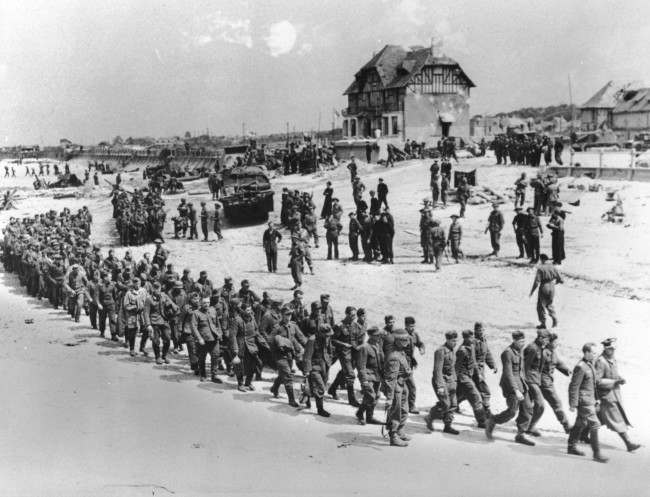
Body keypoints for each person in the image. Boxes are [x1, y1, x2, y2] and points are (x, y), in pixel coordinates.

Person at [485, 331, 535, 446]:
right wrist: (516, 390)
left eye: (524, 341)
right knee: (512, 411)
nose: (523, 344)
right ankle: (492, 420)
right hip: (510, 385)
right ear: (514, 340)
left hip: (522, 384)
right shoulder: (507, 353)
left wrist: (526, 385)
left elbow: (521, 370)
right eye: (520, 341)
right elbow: (508, 373)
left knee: (528, 409)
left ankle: (520, 435)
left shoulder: (520, 351)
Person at [594, 338, 640, 452]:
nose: (613, 351)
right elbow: (597, 381)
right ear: (605, 349)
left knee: (599, 417)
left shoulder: (612, 360)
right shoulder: (601, 361)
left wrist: (619, 378)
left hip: (614, 394)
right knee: (616, 418)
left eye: (613, 349)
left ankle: (581, 433)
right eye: (610, 349)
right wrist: (614, 382)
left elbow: (614, 374)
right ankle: (628, 443)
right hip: (606, 395)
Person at [567, 343, 609, 463]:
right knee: (594, 424)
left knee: (581, 423)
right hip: (584, 401)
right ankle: (597, 454)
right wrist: (572, 403)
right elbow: (574, 386)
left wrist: (596, 398)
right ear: (586, 353)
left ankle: (571, 447)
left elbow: (593, 385)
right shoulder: (581, 367)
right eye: (593, 352)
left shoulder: (590, 365)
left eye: (596, 353)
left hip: (590, 399)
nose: (595, 355)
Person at [302, 302, 334, 417]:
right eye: (326, 335)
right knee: (320, 388)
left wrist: (329, 360)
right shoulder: (312, 340)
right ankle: (320, 409)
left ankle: (307, 394)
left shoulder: (327, 338)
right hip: (315, 366)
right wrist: (307, 371)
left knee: (321, 386)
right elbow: (307, 357)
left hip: (325, 365)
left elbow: (330, 350)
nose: (328, 337)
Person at [424, 331, 459, 434]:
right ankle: (430, 417)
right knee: (445, 404)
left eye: (456, 340)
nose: (455, 343)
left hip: (450, 381)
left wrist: (455, 381)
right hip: (440, 381)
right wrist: (440, 386)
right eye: (453, 341)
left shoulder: (452, 350)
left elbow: (452, 368)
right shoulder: (440, 351)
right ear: (447, 340)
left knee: (453, 404)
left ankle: (447, 426)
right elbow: (437, 370)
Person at [384, 328, 412, 446]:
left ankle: (400, 430)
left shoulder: (401, 352)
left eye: (407, 340)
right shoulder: (394, 357)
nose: (407, 342)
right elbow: (391, 379)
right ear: (397, 341)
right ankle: (393, 436)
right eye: (404, 340)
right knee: (395, 411)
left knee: (404, 409)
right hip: (396, 387)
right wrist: (389, 398)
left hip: (402, 384)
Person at [539, 332, 571, 433]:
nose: (557, 343)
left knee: (533, 405)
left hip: (547, 381)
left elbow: (557, 362)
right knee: (556, 403)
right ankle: (567, 426)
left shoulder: (552, 351)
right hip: (544, 382)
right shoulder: (543, 353)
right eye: (555, 342)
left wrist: (567, 370)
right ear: (549, 342)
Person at [328, 306, 360, 406]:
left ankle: (332, 389)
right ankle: (352, 400)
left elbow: (356, 338)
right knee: (350, 375)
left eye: (354, 315)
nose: (353, 317)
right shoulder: (339, 326)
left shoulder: (355, 325)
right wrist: (343, 344)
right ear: (346, 314)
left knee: (344, 372)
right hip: (343, 353)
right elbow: (332, 340)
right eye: (351, 315)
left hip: (353, 352)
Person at [455, 330, 488, 427]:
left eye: (472, 337)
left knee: (456, 398)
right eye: (470, 337)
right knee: (476, 398)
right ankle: (482, 422)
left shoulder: (472, 347)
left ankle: (435, 414)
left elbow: (474, 362)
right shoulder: (462, 351)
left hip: (469, 376)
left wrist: (478, 374)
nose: (472, 339)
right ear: (465, 338)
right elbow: (456, 368)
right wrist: (455, 380)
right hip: (463, 378)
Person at [523, 329, 550, 437]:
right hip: (529, 380)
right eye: (546, 339)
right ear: (540, 338)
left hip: (536, 380)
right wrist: (523, 382)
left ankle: (528, 426)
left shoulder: (542, 348)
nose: (547, 341)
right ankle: (529, 427)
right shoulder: (533, 348)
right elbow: (525, 366)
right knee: (540, 405)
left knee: (528, 406)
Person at [355, 326, 384, 425]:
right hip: (367, 376)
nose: (379, 337)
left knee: (375, 397)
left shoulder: (378, 346)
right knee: (370, 396)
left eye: (379, 335)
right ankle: (359, 413)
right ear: (370, 336)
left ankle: (369, 417)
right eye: (377, 335)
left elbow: (381, 362)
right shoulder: (364, 347)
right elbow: (361, 366)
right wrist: (364, 381)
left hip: (376, 376)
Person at [190, 297, 222, 382]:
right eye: (204, 303)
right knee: (202, 357)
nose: (206, 304)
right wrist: (199, 338)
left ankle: (214, 375)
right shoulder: (196, 313)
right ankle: (203, 374)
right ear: (201, 303)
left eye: (208, 302)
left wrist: (220, 334)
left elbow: (217, 324)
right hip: (203, 340)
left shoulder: (213, 310)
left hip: (214, 338)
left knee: (215, 356)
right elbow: (194, 327)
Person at [529, 254, 563, 329]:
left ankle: (543, 323)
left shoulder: (540, 268)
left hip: (544, 286)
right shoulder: (553, 267)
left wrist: (532, 291)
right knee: (549, 304)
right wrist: (555, 282)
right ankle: (554, 319)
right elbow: (561, 279)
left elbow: (536, 282)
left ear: (542, 259)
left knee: (540, 306)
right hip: (552, 286)